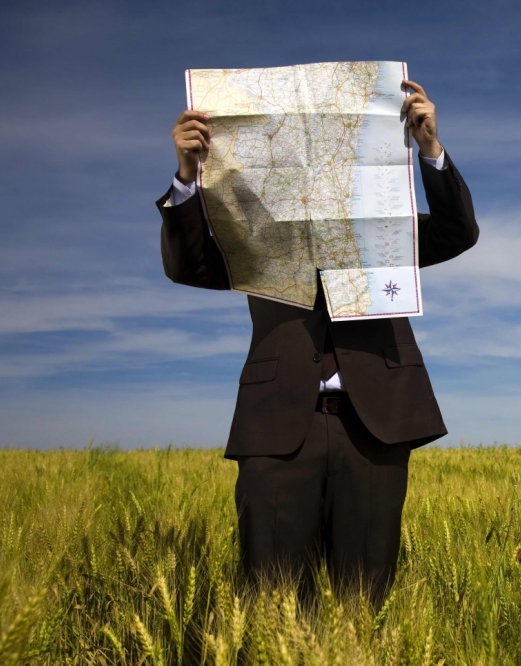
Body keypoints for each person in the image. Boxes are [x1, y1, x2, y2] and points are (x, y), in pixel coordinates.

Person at [157, 79, 478, 606]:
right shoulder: (254, 236)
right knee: (276, 603)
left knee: (364, 602)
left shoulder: (384, 231)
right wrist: (188, 177)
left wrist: (430, 150)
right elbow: (189, 264)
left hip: (374, 426)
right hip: (277, 427)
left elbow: (457, 232)